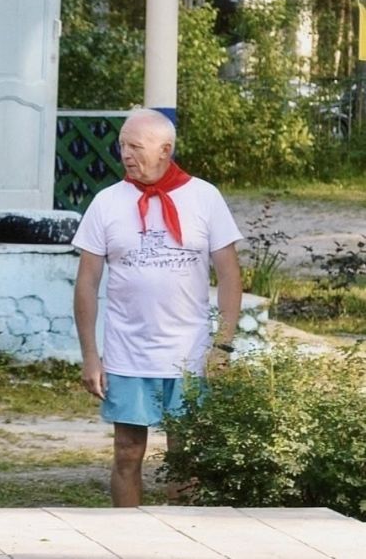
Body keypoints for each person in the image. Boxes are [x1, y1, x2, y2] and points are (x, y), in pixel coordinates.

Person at [71, 108, 242, 507]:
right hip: (127, 353)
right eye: (122, 145)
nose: (125, 154)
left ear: (165, 149)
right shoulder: (107, 202)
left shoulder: (204, 197)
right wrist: (90, 355)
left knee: (185, 457)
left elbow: (230, 276)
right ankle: (127, 535)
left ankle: (184, 535)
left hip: (189, 355)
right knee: (127, 452)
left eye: (135, 146)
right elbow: (87, 283)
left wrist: (223, 344)